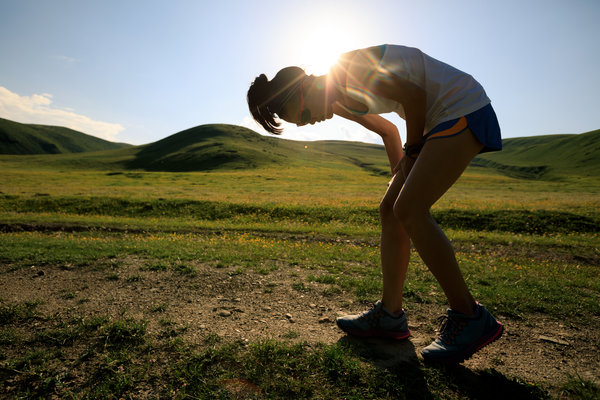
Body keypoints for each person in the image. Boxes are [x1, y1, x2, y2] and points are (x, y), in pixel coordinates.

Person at [247, 44, 503, 363]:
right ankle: (390, 316)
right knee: (392, 211)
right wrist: (404, 179)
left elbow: (413, 95)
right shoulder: (339, 98)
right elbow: (387, 130)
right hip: (435, 121)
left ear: (303, 88)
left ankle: (470, 316)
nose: (312, 122)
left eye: (306, 116)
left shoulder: (349, 70)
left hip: (461, 107)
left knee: (408, 209)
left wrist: (410, 166)